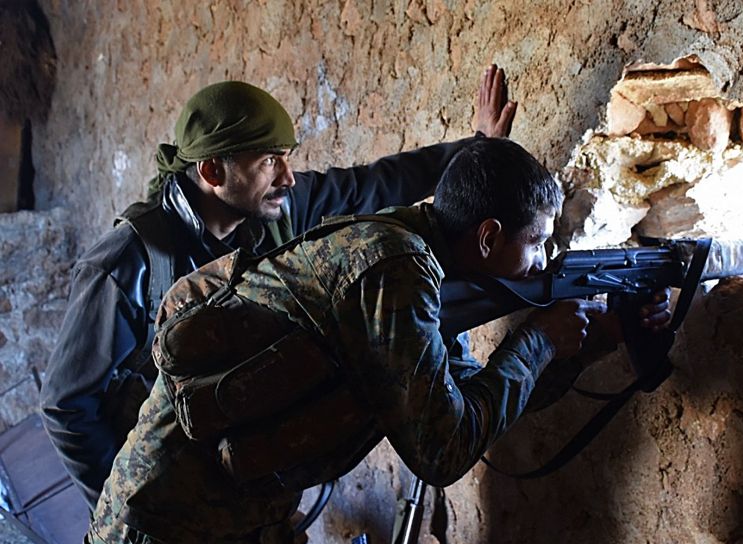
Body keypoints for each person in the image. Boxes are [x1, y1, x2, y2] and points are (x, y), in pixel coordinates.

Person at [85, 137, 671, 544]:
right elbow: (443, 448)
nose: (545, 261)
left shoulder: (427, 267)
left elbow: (471, 400)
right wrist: (538, 341)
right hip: (166, 530)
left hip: (251, 527)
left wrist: (588, 346)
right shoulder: (395, 269)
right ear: (488, 236)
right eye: (538, 241)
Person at [40, 65, 518, 510]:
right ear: (212, 172)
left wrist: (475, 150)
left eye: (286, 159)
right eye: (270, 161)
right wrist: (128, 509)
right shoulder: (128, 261)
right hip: (166, 494)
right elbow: (67, 406)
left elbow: (373, 184)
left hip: (238, 482)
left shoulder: (273, 209)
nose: (288, 177)